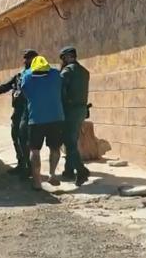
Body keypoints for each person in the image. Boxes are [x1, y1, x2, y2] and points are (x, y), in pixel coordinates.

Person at [0, 49, 37, 176]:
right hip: (18, 112)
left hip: (31, 112)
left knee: (27, 141)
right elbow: (4, 87)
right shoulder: (19, 76)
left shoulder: (38, 75)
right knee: (16, 137)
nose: (26, 61)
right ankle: (21, 164)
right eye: (25, 58)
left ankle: (30, 168)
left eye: (29, 58)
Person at [20, 55, 65, 191]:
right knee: (55, 148)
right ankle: (52, 174)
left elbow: (24, 93)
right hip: (56, 117)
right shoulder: (56, 74)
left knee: (34, 150)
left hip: (36, 119)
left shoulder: (27, 76)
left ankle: (37, 181)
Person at [60, 46, 91, 186]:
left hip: (70, 111)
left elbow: (61, 92)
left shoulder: (67, 72)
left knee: (69, 142)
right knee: (73, 140)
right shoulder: (85, 71)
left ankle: (81, 170)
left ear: (66, 57)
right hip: (82, 110)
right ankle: (68, 171)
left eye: (62, 58)